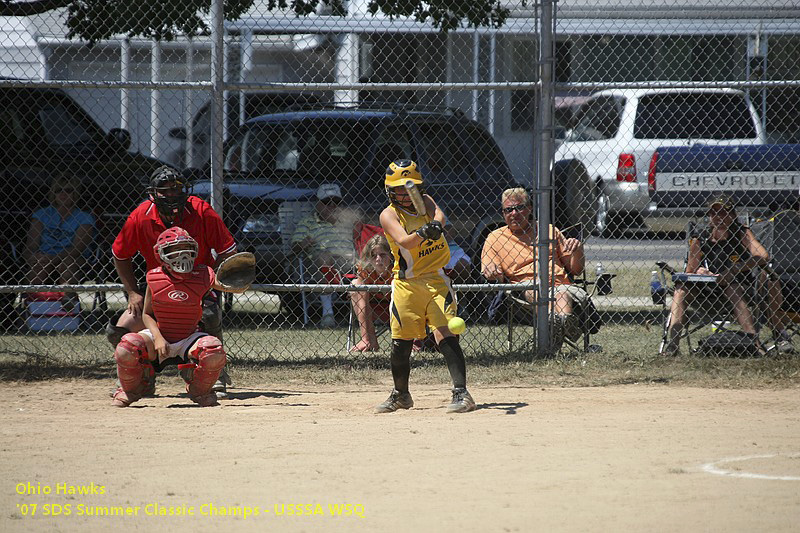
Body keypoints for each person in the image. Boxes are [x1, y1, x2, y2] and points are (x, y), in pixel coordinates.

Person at [108, 166, 237, 398]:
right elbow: (120, 255)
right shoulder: (141, 216)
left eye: (176, 189)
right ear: (152, 193)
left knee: (208, 315)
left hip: (197, 288)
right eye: (164, 190)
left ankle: (207, 374)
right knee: (120, 330)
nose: (171, 195)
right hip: (158, 290)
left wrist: (206, 281)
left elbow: (228, 251)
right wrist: (133, 292)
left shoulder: (200, 210)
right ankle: (142, 377)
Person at [376, 159, 476, 414]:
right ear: (390, 191)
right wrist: (424, 233)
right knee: (401, 341)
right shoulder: (389, 214)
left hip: (435, 278)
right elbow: (404, 241)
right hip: (407, 284)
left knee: (446, 333)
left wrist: (437, 225)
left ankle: (462, 393)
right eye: (399, 189)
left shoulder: (425, 201)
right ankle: (401, 395)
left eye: (410, 188)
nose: (406, 194)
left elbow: (440, 215)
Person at [111, 227, 245, 407]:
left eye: (186, 249)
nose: (183, 255)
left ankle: (199, 390)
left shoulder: (203, 274)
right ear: (161, 253)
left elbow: (228, 286)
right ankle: (133, 388)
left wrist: (240, 278)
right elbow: (147, 314)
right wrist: (158, 338)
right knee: (127, 345)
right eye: (175, 250)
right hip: (160, 336)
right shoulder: (154, 277)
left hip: (188, 338)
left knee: (213, 349)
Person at [480, 187, 586, 351]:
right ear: (503, 213)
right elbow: (491, 270)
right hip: (524, 290)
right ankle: (562, 325)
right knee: (534, 290)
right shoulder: (495, 238)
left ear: (529, 208)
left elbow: (576, 270)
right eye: (508, 210)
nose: (514, 213)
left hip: (559, 285)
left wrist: (578, 249)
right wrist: (492, 271)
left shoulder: (548, 230)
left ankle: (561, 323)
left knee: (562, 294)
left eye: (519, 207)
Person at [663, 195, 768, 356]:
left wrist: (734, 269)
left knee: (732, 288)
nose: (718, 218)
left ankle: (753, 343)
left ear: (733, 215)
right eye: (714, 213)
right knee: (680, 290)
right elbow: (690, 271)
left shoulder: (741, 233)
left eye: (724, 213)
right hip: (707, 291)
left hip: (737, 287)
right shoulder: (701, 237)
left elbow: (762, 256)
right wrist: (700, 272)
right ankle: (672, 345)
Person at [291, 183, 359, 327]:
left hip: (348, 261)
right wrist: (304, 243)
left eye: (336, 203)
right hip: (318, 264)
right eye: (327, 202)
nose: (332, 206)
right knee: (324, 256)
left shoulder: (348, 222)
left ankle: (376, 313)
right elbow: (295, 247)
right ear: (318, 204)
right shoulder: (308, 222)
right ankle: (327, 312)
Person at [23, 175, 95, 309]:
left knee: (68, 262)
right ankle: (33, 306)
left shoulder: (85, 218)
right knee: (39, 264)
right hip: (44, 257)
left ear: (75, 193)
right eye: (58, 190)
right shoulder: (41, 215)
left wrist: (53, 259)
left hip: (73, 258)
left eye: (68, 190)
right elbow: (30, 245)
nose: (63, 194)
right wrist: (33, 256)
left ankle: (67, 305)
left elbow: (77, 248)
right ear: (53, 194)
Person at [349, 233, 393, 352]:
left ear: (391, 255)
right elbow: (362, 301)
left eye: (383, 255)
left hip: (394, 305)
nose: (378, 259)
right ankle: (368, 339)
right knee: (356, 285)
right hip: (372, 305)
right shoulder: (365, 269)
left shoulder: (397, 268)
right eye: (373, 256)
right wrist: (366, 337)